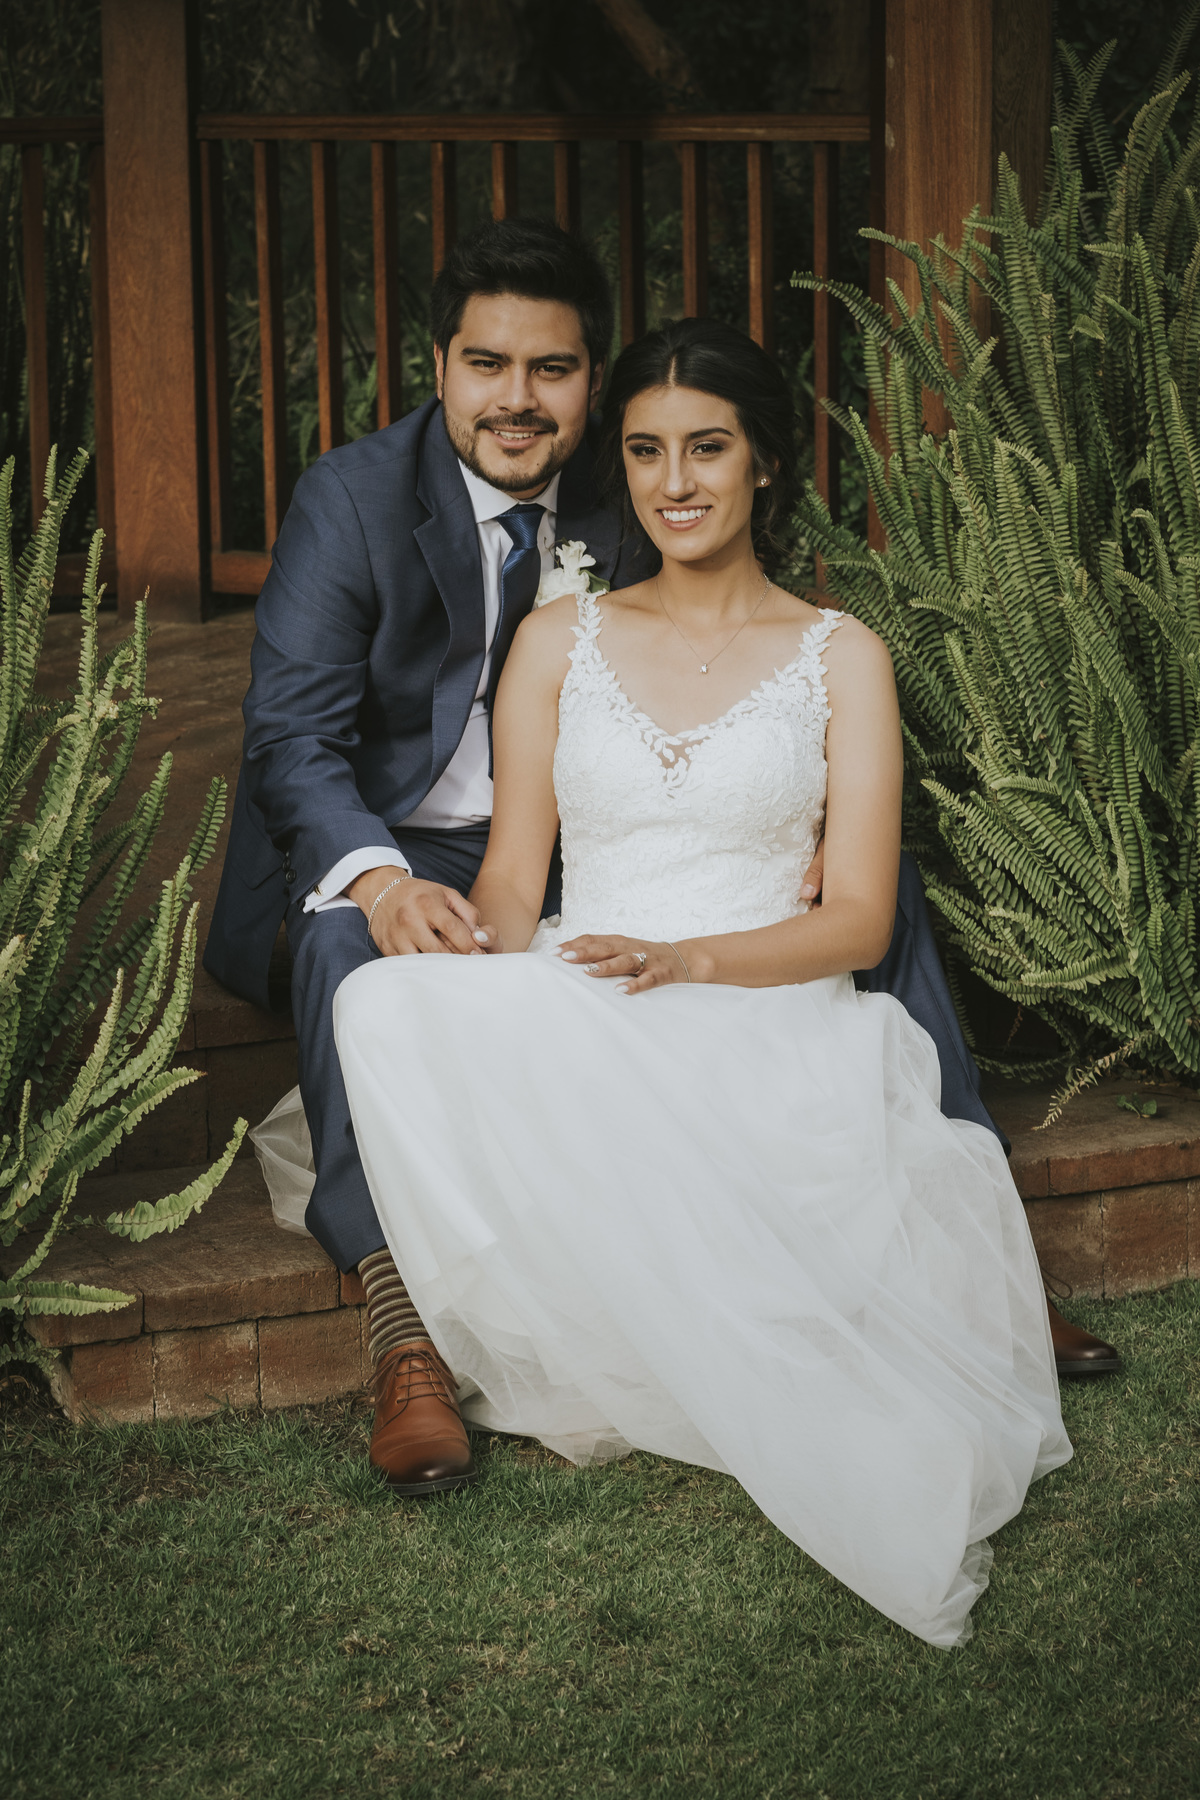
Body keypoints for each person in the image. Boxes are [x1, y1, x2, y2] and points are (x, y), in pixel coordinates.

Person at [203, 217, 1111, 1496]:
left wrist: (790, 825)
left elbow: (726, 645)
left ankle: (967, 1259)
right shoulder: (352, 498)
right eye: (487, 364)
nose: (518, 400)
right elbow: (292, 740)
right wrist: (383, 874)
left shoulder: (633, 479)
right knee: (352, 944)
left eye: (554, 371)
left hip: (569, 840)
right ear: (442, 367)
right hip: (391, 831)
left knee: (874, 884)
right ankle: (398, 1317)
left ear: (591, 379)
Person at [323, 315, 1071, 1648]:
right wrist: (444, 936)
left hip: (765, 1007)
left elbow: (854, 923)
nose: (675, 484)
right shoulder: (561, 642)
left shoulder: (843, 656)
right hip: (589, 978)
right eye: (649, 451)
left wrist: (693, 962)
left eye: (709, 449)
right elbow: (514, 884)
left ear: (764, 463)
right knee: (377, 1002)